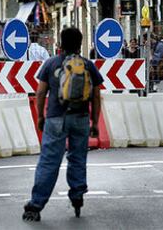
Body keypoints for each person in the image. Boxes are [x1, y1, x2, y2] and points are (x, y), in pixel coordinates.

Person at [22, 27, 104, 222]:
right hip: (81, 118)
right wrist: (95, 122)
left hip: (55, 118)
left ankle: (36, 204)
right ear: (79, 44)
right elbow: (96, 95)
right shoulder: (87, 65)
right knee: (77, 157)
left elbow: (40, 92)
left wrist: (40, 116)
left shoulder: (51, 64)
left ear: (60, 43)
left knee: (49, 161)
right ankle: (77, 195)